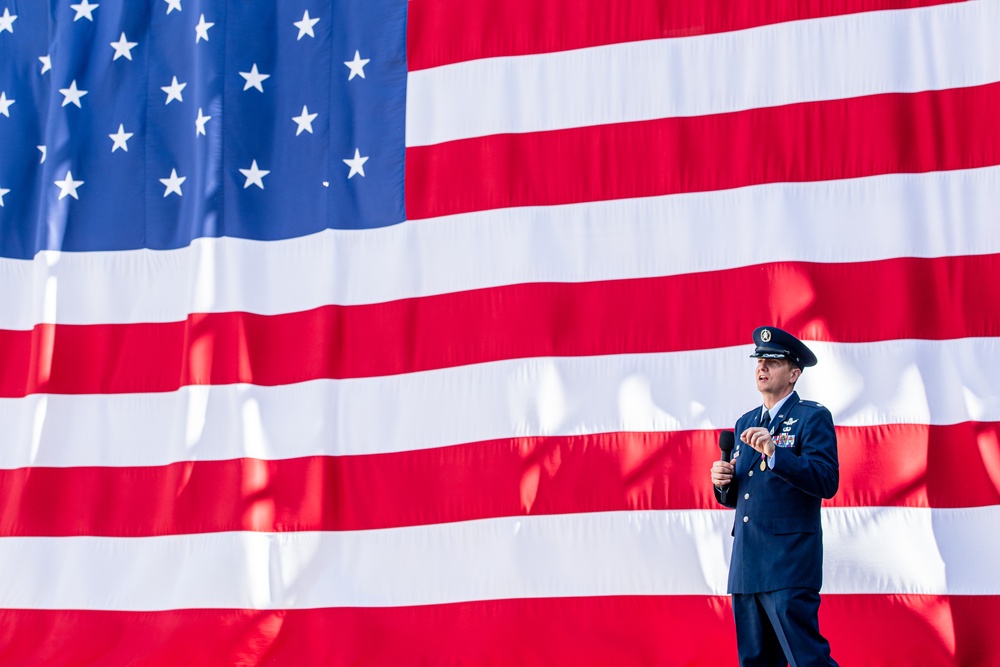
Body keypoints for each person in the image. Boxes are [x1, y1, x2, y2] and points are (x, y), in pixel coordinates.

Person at [711, 326, 840, 667]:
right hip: (747, 561)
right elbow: (745, 493)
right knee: (755, 661)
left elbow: (826, 480)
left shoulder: (811, 417)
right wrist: (723, 483)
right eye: (759, 360)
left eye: (773, 361)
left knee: (806, 659)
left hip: (788, 561)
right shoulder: (746, 422)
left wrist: (776, 453)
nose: (762, 367)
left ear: (794, 373)